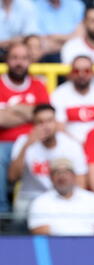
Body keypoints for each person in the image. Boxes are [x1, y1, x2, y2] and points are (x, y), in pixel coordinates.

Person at [8, 103, 87, 218]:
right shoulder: (23, 142)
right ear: (34, 125)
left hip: (61, 195)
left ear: (56, 122)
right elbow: (12, 177)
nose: (46, 126)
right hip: (31, 196)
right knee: (19, 218)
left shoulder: (71, 145)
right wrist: (26, 146)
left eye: (50, 121)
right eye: (40, 122)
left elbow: (81, 183)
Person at [0, 42, 49, 216]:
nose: (19, 63)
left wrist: (11, 110)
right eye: (14, 58)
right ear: (6, 60)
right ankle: (2, 215)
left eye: (23, 58)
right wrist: (27, 111)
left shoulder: (38, 86)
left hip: (35, 140)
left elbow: (43, 116)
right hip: (4, 143)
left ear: (29, 61)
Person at [28, 157, 94, 235]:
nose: (62, 176)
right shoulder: (40, 202)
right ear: (51, 178)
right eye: (57, 172)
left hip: (90, 246)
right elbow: (41, 234)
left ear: (74, 176)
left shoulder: (92, 199)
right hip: (55, 247)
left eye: (66, 172)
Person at [50, 55, 94, 145]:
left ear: (93, 73)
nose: (81, 75)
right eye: (76, 71)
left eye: (86, 71)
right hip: (70, 147)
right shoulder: (58, 95)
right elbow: (59, 129)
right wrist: (79, 146)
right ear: (70, 73)